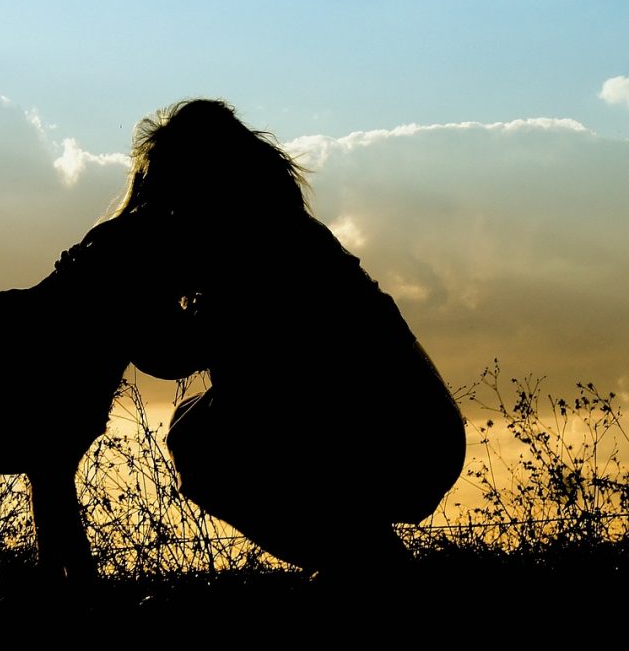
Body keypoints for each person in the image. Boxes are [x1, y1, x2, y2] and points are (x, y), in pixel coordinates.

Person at [116, 99, 467, 579]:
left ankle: (364, 566)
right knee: (212, 421)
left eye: (172, 197)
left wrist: (121, 293)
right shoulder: (287, 233)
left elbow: (172, 354)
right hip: (420, 435)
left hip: (393, 440)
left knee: (201, 439)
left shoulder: (252, 252)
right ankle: (365, 563)